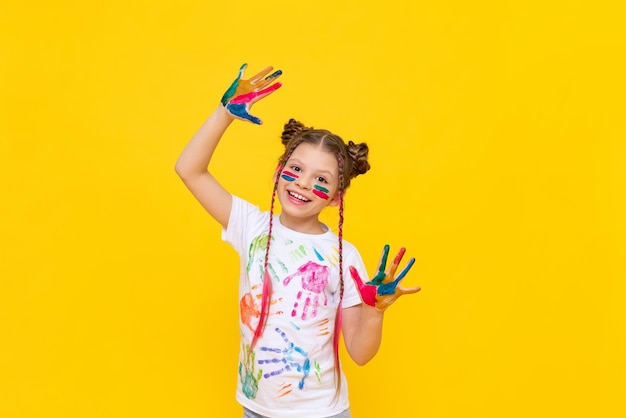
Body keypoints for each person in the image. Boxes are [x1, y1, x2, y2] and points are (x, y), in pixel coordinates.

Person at [175, 64, 420, 418]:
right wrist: (224, 113)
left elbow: (361, 354)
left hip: (324, 413)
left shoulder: (343, 257)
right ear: (278, 172)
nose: (304, 183)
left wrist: (374, 311)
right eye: (296, 169)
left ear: (337, 196)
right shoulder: (251, 226)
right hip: (255, 410)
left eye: (321, 179)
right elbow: (189, 169)